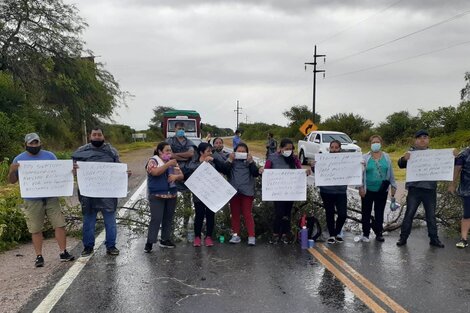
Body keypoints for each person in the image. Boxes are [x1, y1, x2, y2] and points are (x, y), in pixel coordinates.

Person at [8, 133, 74, 267]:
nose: (34, 145)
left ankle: (63, 252)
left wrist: (70, 171)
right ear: (26, 144)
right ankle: (39, 256)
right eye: (31, 143)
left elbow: (59, 173)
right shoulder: (19, 159)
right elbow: (12, 181)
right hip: (32, 199)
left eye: (36, 143)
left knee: (59, 224)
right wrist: (11, 170)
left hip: (51, 197)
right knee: (35, 229)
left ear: (40, 143)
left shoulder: (50, 156)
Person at [72, 127, 132, 257]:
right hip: (88, 195)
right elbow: (72, 170)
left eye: (99, 135)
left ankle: (111, 246)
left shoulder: (111, 151)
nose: (97, 137)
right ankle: (88, 247)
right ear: (90, 136)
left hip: (107, 194)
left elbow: (118, 168)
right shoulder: (81, 151)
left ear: (103, 136)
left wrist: (125, 173)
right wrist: (74, 170)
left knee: (110, 222)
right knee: (88, 222)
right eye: (94, 135)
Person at [396, 130, 444, 248]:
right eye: (419, 138)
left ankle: (434, 239)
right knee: (409, 214)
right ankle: (403, 238)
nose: (422, 140)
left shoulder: (435, 154)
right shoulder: (410, 153)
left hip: (430, 189)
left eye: (425, 137)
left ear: (428, 140)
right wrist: (404, 159)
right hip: (415, 190)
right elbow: (400, 164)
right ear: (415, 140)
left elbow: (446, 163)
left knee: (431, 215)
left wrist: (453, 155)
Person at [260, 138, 310, 244]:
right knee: (279, 213)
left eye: (291, 149)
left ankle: (285, 234)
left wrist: (305, 172)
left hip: (290, 191)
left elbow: (299, 170)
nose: (289, 151)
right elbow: (266, 170)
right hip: (277, 192)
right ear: (280, 148)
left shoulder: (294, 158)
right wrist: (262, 171)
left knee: (287, 213)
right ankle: (275, 233)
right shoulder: (272, 158)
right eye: (286, 148)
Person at [144, 142, 184, 253]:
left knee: (168, 218)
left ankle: (165, 239)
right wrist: (167, 164)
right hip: (157, 195)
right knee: (156, 219)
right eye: (167, 150)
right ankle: (150, 242)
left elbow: (181, 176)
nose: (169, 152)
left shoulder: (172, 162)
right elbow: (155, 172)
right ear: (160, 151)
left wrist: (176, 176)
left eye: (170, 150)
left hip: (171, 194)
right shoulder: (153, 160)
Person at [358, 135, 397, 243]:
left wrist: (393, 185)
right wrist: (360, 187)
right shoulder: (365, 157)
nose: (375, 144)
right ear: (370, 144)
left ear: (381, 143)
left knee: (379, 212)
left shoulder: (386, 157)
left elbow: (391, 173)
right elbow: (359, 174)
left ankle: (379, 233)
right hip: (368, 190)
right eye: (373, 142)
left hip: (382, 190)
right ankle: (365, 233)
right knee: (366, 212)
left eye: (377, 142)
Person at [221, 143, 260, 246]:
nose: (241, 153)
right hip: (234, 191)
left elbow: (255, 173)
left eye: (243, 152)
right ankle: (235, 235)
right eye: (239, 151)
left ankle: (251, 236)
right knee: (235, 214)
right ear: (234, 152)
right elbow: (225, 170)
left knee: (247, 214)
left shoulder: (249, 162)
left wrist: (251, 162)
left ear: (247, 153)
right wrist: (230, 159)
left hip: (247, 191)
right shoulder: (231, 161)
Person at [186, 142, 224, 247]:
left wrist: (213, 161)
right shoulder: (193, 163)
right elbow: (189, 170)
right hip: (198, 194)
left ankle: (208, 237)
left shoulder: (212, 162)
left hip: (211, 193)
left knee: (210, 215)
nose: (210, 153)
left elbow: (223, 168)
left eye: (211, 151)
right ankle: (197, 237)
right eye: (208, 151)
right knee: (199, 215)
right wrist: (202, 163)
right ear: (201, 152)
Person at [312, 140, 348, 244]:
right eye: (332, 147)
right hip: (326, 191)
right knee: (329, 213)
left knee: (342, 214)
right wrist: (314, 165)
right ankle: (332, 235)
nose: (334, 149)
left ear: (340, 148)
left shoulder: (346, 160)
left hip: (341, 191)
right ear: (329, 148)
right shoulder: (324, 159)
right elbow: (317, 171)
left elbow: (353, 170)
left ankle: (337, 233)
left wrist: (359, 165)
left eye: (337, 147)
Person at [449, 147, 470, 248]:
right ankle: (464, 239)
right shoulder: (464, 154)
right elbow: (456, 169)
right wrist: (452, 184)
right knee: (467, 214)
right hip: (467, 190)